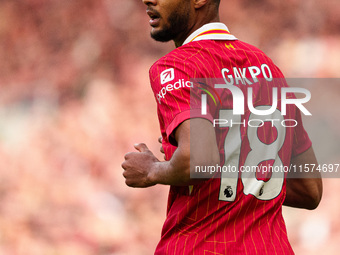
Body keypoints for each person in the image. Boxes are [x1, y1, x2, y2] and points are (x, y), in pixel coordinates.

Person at [122, 0, 323, 254]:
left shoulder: (178, 66)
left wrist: (153, 170)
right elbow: (310, 189)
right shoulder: (269, 69)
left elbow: (196, 160)